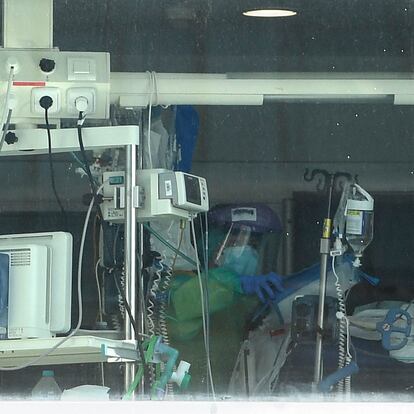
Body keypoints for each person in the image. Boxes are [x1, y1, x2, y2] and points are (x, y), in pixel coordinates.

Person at [166, 203, 284, 395]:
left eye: (253, 246)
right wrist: (236, 284)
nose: (245, 252)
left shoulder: (253, 299)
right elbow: (184, 305)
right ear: (210, 243)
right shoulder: (183, 284)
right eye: (235, 244)